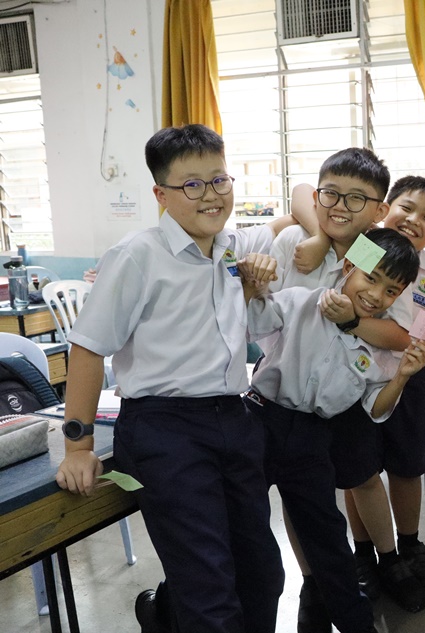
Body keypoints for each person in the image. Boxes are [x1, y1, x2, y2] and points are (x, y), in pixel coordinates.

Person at [54, 123, 294, 633]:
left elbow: (294, 219)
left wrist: (254, 287)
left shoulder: (230, 249)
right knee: (208, 588)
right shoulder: (137, 256)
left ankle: (164, 615)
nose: (211, 195)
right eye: (192, 184)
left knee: (263, 574)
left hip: (233, 418)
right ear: (161, 194)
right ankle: (170, 613)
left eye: (219, 180)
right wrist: (78, 446)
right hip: (165, 429)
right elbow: (88, 347)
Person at [241, 227, 425, 633]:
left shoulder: (379, 349)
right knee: (245, 533)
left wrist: (402, 376)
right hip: (260, 421)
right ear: (348, 268)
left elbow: (376, 408)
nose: (376, 295)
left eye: (391, 291)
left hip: (312, 435)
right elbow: (253, 321)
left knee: (328, 537)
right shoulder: (302, 301)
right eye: (371, 278)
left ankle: (355, 622)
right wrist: (253, 286)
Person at [289, 174, 425, 614]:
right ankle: (365, 555)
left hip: (406, 375)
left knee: (407, 466)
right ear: (385, 209)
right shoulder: (365, 248)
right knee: (358, 469)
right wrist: (318, 236)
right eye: (406, 207)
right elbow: (302, 194)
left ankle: (407, 547)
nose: (413, 220)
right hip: (350, 373)